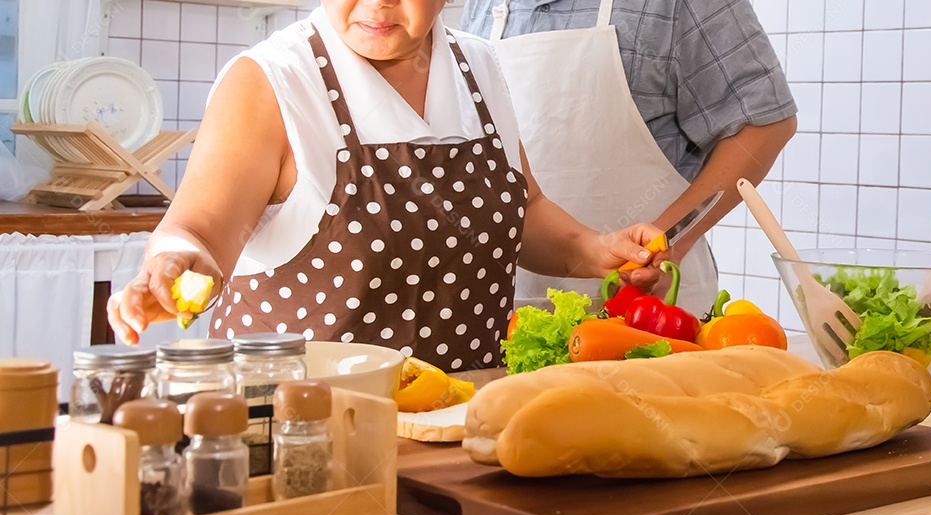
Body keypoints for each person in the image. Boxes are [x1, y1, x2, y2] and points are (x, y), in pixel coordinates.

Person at [107, 0, 665, 371]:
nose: (378, 2)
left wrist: (596, 250)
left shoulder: (479, 67)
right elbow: (201, 229)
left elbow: (523, 209)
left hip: (458, 430)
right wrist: (175, 260)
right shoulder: (273, 81)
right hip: (303, 433)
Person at [460, 0, 798, 314]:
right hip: (507, 307)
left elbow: (764, 124)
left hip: (652, 306)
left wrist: (669, 244)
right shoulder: (481, 6)